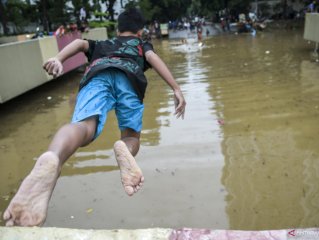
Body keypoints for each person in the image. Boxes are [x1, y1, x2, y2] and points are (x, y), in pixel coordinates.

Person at [3, 7, 186, 227]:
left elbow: (80, 43)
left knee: (84, 127)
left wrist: (58, 58)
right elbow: (153, 58)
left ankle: (53, 156)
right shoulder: (141, 45)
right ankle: (124, 149)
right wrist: (176, 88)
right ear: (140, 31)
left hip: (97, 74)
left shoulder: (103, 44)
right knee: (131, 136)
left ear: (118, 29)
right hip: (130, 79)